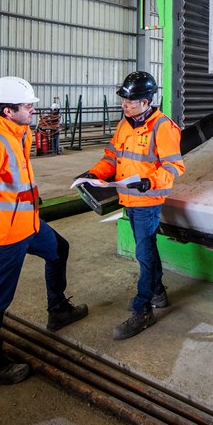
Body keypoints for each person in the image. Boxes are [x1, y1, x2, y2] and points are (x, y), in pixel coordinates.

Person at [0, 76, 88, 384]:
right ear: (7, 111)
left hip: (27, 223)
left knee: (59, 249)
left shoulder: (21, 134)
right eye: (28, 106)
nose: (33, 111)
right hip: (3, 235)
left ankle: (58, 308)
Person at [75, 71, 184, 340]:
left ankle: (143, 307)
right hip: (128, 197)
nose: (124, 103)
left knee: (144, 254)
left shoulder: (163, 127)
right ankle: (158, 293)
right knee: (145, 250)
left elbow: (174, 166)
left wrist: (149, 181)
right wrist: (94, 174)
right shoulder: (125, 123)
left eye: (130, 100)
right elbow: (112, 157)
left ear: (146, 102)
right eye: (123, 98)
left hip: (148, 200)